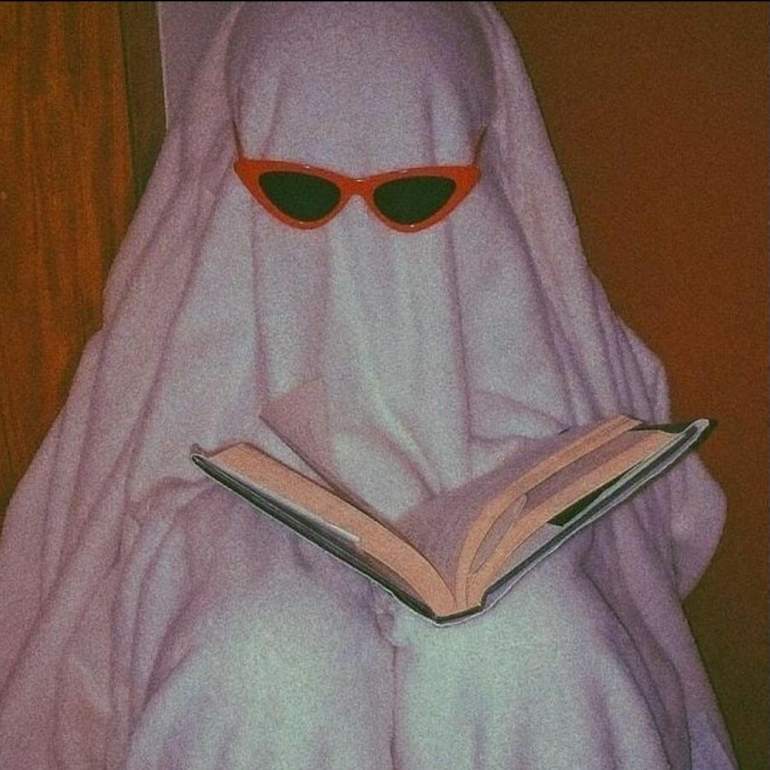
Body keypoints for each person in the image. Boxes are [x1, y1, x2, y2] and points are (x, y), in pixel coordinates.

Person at [0, 3, 736, 768]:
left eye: (413, 195)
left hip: (506, 500)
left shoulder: (544, 339)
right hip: (222, 524)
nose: (355, 248)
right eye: (299, 192)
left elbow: (663, 533)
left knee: (537, 642)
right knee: (268, 657)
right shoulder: (183, 335)